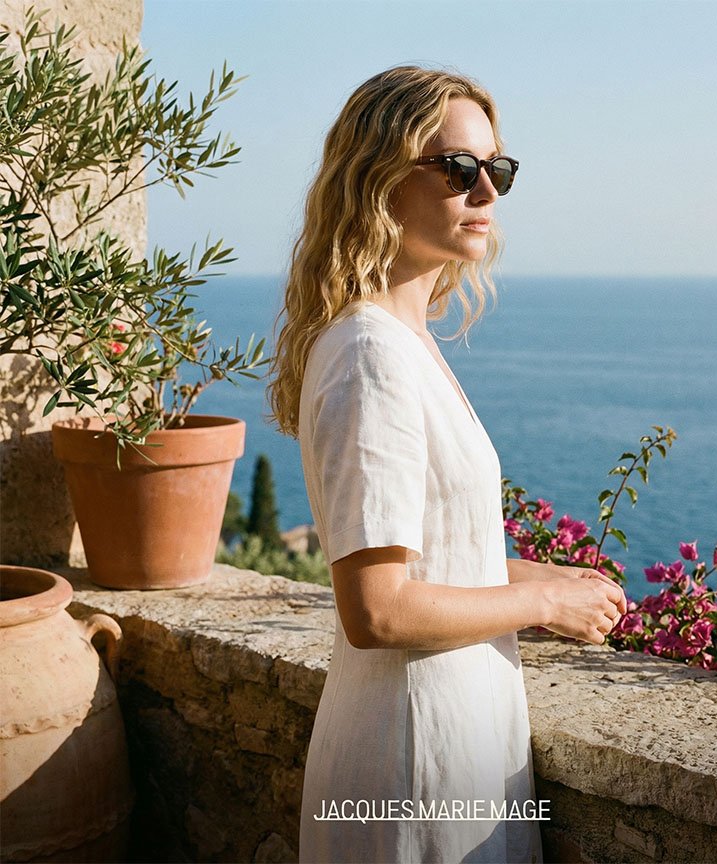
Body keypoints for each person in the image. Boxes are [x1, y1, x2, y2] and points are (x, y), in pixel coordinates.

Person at [269, 65, 627, 864]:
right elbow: (378, 609)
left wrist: (532, 571)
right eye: (460, 169)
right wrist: (539, 604)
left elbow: (418, 544)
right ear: (378, 181)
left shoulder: (401, 340)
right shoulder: (371, 354)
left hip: (438, 745)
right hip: (411, 766)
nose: (487, 193)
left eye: (497, 170)